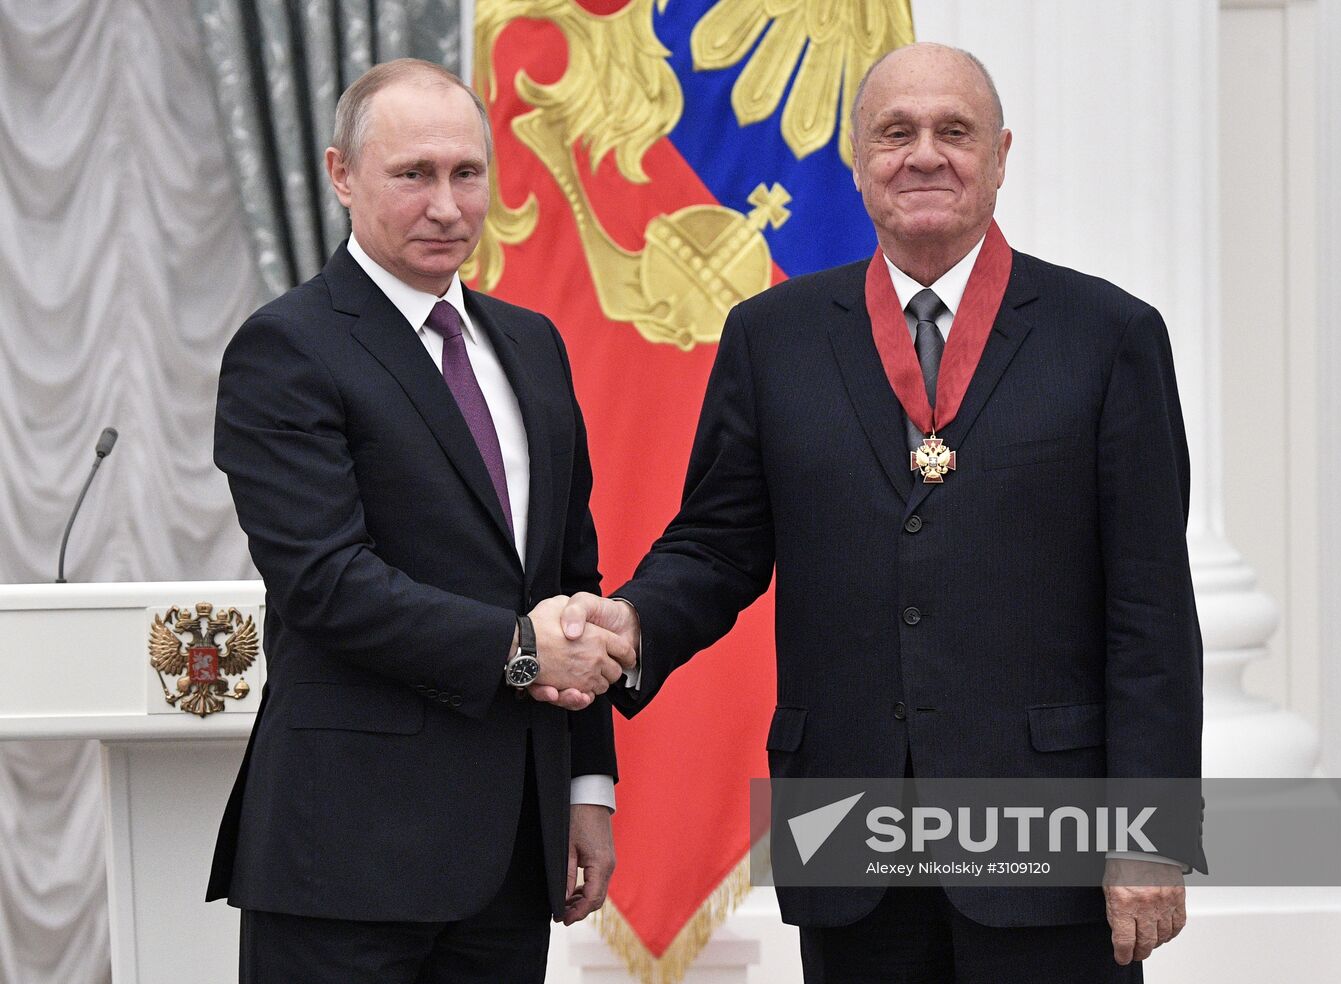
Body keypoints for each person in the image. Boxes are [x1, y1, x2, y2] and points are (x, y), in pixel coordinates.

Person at [551, 43, 1204, 982]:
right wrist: (631, 623)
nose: (925, 155)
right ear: (856, 161)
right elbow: (719, 545)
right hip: (848, 828)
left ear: (1002, 154)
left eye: (955, 132)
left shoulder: (1107, 337)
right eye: (895, 133)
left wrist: (1151, 831)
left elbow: (1149, 607)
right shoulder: (771, 338)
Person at [207, 58, 632, 984]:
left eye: (466, 173)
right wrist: (519, 649)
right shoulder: (286, 347)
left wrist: (587, 789)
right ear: (340, 175)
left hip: (514, 856)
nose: (447, 205)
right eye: (413, 176)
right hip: (346, 860)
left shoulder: (532, 343)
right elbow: (326, 582)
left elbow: (571, 579)